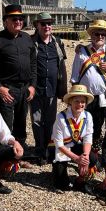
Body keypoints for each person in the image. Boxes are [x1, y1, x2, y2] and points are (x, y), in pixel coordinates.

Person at [0, 4, 37, 148]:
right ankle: (5, 155)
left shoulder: (27, 38)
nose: (18, 22)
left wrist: (32, 86)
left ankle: (20, 152)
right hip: (7, 89)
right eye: (14, 19)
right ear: (6, 21)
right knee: (5, 123)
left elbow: (33, 64)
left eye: (21, 19)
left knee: (21, 122)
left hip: (25, 88)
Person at [70, 19, 106, 149]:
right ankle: (81, 149)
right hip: (84, 97)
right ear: (91, 36)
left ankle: (94, 150)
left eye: (103, 35)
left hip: (102, 96)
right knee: (82, 123)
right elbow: (74, 77)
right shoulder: (82, 52)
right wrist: (72, 98)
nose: (100, 37)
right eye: (97, 34)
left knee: (98, 123)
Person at [30, 12, 67, 165]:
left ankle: (49, 149)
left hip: (52, 89)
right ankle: (40, 151)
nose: (46, 26)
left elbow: (62, 67)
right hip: (36, 90)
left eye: (49, 23)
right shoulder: (31, 42)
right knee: (37, 121)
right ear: (37, 25)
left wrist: (63, 91)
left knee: (51, 121)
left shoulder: (58, 43)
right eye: (43, 23)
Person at [51, 84, 99, 191]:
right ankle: (56, 169)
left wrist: (85, 158)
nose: (80, 104)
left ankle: (81, 178)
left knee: (92, 158)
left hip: (75, 145)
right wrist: (77, 159)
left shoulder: (88, 116)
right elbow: (59, 145)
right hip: (59, 149)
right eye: (77, 101)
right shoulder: (61, 117)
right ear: (70, 102)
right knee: (62, 186)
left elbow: (88, 138)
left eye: (83, 102)